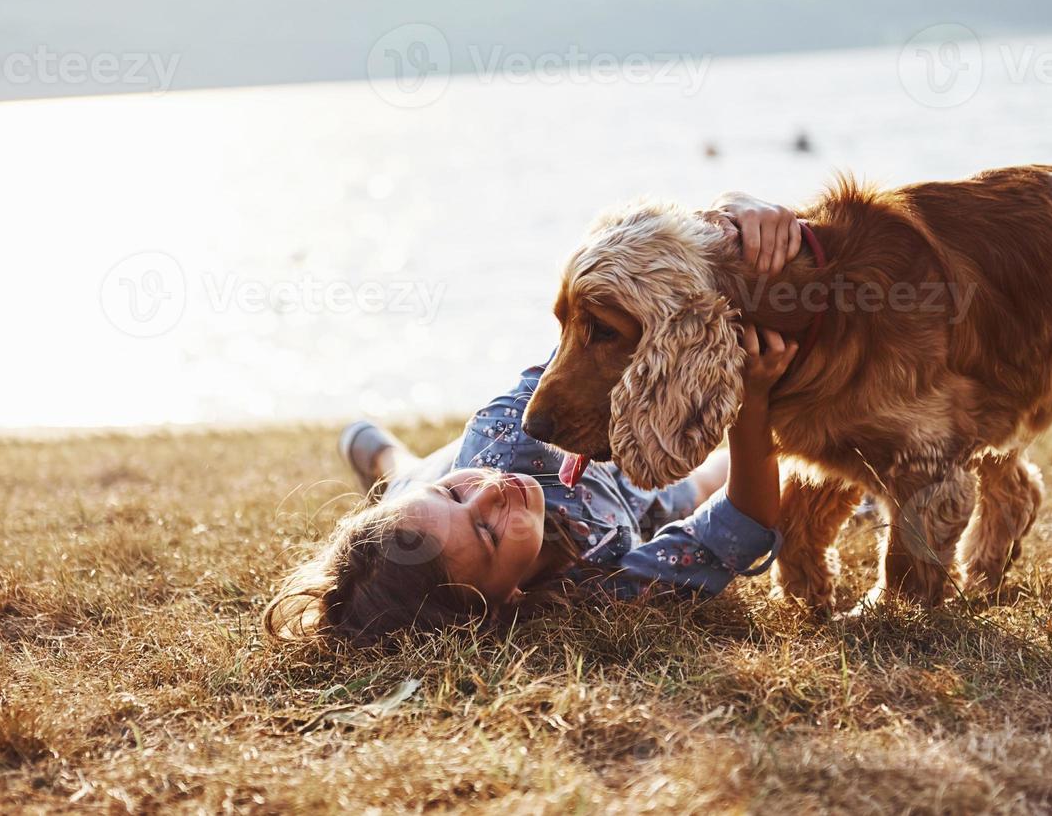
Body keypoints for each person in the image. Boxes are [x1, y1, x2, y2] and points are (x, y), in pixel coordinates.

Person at [264, 195, 803, 646]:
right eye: (485, 531)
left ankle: (373, 448)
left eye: (457, 497)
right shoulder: (600, 590)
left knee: (403, 474)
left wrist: (728, 217)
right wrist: (751, 402)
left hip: (444, 469)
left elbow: (624, 277)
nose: (491, 494)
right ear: (506, 601)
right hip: (626, 506)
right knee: (699, 485)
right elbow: (742, 526)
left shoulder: (501, 440)